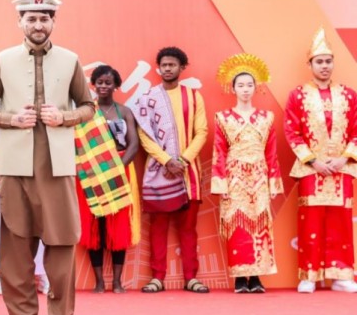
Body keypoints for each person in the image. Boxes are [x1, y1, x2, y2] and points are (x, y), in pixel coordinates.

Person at [0, 0, 93, 315]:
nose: (38, 24)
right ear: (20, 22)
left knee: (61, 252)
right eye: (31, 18)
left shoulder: (70, 60)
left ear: (53, 22)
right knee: (15, 255)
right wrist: (12, 119)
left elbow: (88, 107)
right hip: (15, 169)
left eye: (44, 18)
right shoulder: (2, 60)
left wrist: (64, 117)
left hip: (57, 169)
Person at [284, 28, 357, 293]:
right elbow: (291, 132)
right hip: (311, 170)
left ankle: (341, 275)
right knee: (310, 221)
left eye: (328, 61)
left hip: (341, 169)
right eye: (319, 61)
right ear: (310, 65)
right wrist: (313, 161)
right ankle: (309, 275)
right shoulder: (298, 95)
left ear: (333, 63)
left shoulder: (349, 95)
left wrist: (343, 158)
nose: (324, 66)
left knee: (341, 222)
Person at [136, 47, 209, 293]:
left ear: (182, 68)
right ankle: (157, 278)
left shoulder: (194, 97)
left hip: (189, 174)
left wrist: (183, 161)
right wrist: (167, 161)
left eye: (172, 65)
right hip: (160, 173)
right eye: (164, 65)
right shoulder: (148, 98)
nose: (167, 69)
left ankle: (191, 278)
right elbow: (144, 136)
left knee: (188, 229)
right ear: (159, 68)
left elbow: (202, 132)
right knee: (158, 227)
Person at [211, 54, 282, 293]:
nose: (245, 89)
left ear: (256, 87)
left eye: (249, 85)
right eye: (240, 85)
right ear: (232, 88)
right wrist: (221, 184)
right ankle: (240, 277)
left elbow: (271, 152)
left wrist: (273, 183)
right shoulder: (223, 118)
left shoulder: (267, 117)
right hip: (234, 176)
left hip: (260, 175)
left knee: (260, 223)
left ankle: (257, 277)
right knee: (237, 223)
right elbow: (219, 151)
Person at [76, 65, 141, 294]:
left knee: (118, 226)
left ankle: (117, 282)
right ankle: (99, 282)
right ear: (93, 85)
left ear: (116, 86)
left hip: (120, 172)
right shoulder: (85, 112)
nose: (103, 86)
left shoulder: (124, 111)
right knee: (94, 226)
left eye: (108, 82)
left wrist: (117, 169)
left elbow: (134, 144)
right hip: (90, 173)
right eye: (99, 82)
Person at [0, 123, 49, 296]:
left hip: (37, 166)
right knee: (3, 223)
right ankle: (3, 274)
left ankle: (43, 273)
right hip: (5, 169)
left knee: (40, 222)